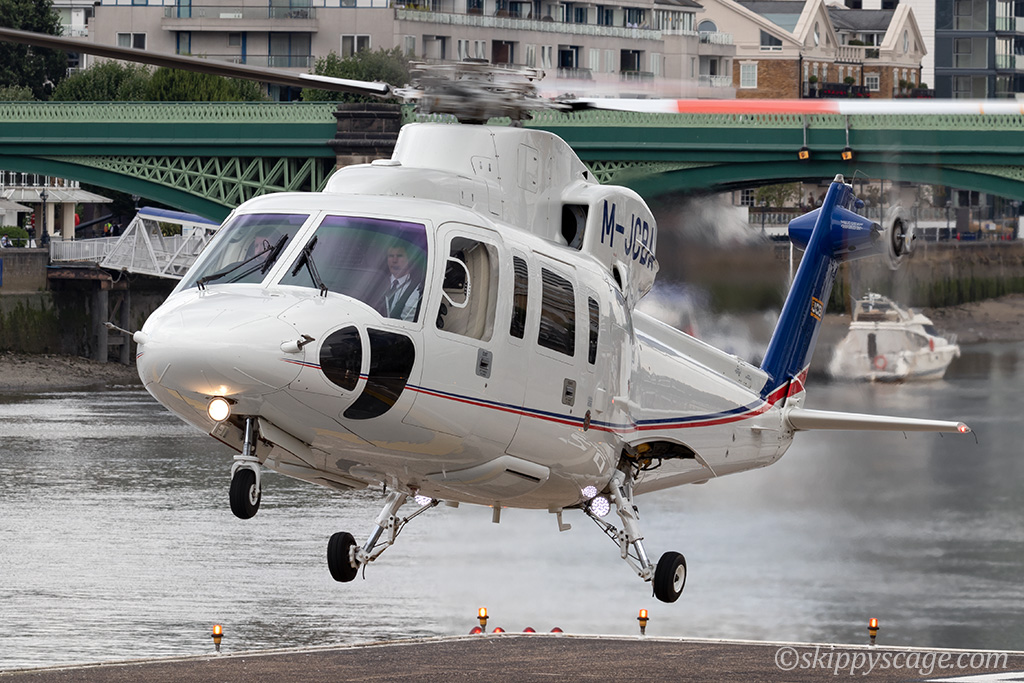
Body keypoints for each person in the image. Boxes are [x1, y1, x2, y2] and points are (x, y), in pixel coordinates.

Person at [380, 243, 422, 322]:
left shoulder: (418, 290)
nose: (394, 260)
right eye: (391, 256)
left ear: (409, 259)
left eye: (399, 256)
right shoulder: (377, 285)